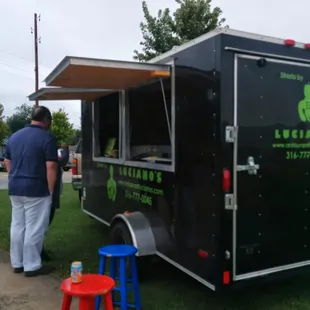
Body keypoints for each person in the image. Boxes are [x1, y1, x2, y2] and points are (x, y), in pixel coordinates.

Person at [4, 106, 58, 277]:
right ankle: (32, 265)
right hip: (36, 189)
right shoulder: (47, 137)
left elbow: (7, 161)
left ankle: (17, 263)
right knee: (34, 228)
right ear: (46, 119)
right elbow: (51, 165)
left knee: (18, 225)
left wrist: (14, 176)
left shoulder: (14, 136)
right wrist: (50, 190)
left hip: (15, 188)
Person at [41, 144, 69, 261]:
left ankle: (36, 250)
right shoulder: (49, 149)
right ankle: (38, 252)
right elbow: (61, 161)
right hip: (47, 193)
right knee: (42, 223)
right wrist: (65, 149)